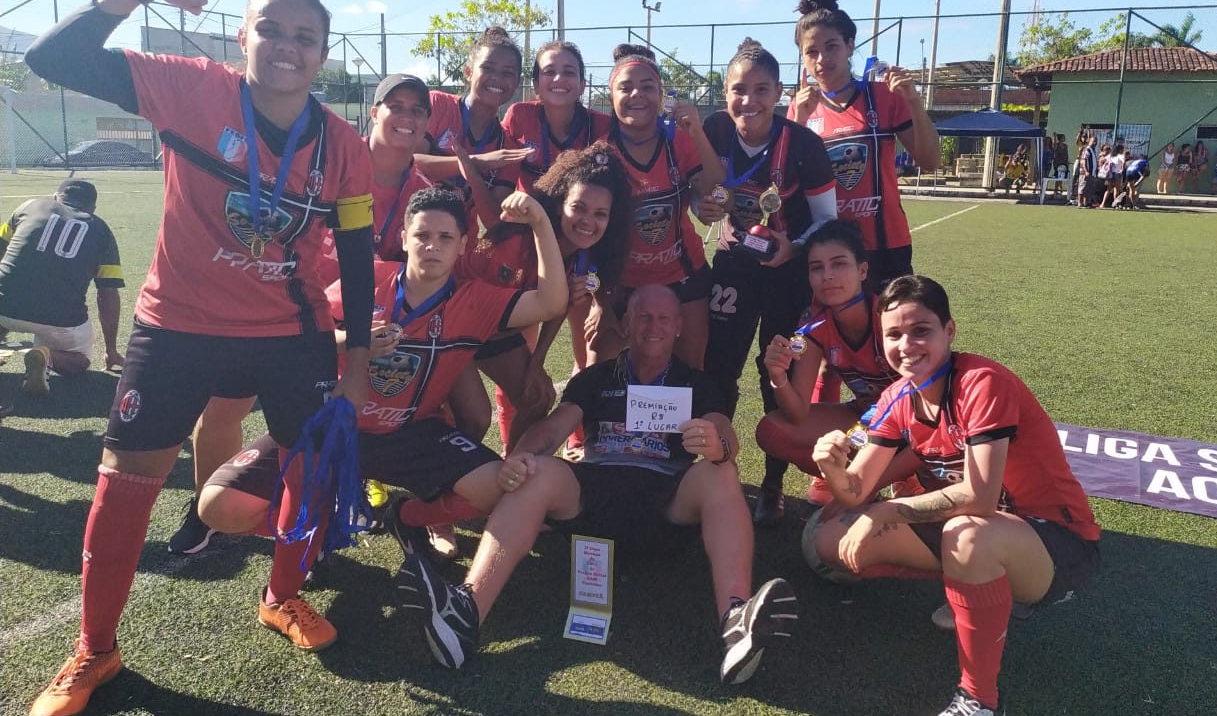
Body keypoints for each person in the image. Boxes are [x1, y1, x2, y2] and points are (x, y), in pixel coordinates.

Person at [22, 0, 376, 716]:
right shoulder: (189, 88)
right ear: (243, 36)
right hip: (177, 328)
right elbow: (53, 58)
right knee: (125, 486)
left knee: (306, 469)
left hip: (292, 335)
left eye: (303, 38)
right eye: (271, 30)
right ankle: (96, 648)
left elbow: (354, 251)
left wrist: (355, 366)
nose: (286, 47)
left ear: (321, 57)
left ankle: (281, 597)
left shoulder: (341, 143)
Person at [392, 283, 798, 683]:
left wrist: (717, 443)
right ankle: (466, 612)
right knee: (535, 469)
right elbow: (553, 428)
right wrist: (520, 457)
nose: (652, 326)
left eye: (663, 318)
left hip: (666, 499)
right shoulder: (599, 376)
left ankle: (737, 620)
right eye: (643, 316)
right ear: (626, 323)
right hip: (594, 493)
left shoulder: (695, 382)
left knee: (721, 471)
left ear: (678, 326)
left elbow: (725, 432)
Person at [199, 186, 569, 606]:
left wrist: (539, 221)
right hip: (334, 427)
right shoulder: (368, 279)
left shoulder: (474, 300)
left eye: (446, 238)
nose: (433, 246)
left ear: (463, 245)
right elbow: (305, 339)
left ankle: (406, 516)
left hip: (410, 434)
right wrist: (351, 342)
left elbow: (552, 301)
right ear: (406, 237)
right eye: (423, 235)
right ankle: (318, 526)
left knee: (498, 491)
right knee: (218, 507)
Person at [808, 275, 1101, 716]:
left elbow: (981, 497)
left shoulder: (980, 382)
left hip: (1059, 545)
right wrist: (832, 467)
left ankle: (981, 703)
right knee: (829, 542)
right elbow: (854, 489)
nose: (907, 345)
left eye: (920, 330)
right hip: (984, 532)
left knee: (967, 533)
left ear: (950, 330)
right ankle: (975, 593)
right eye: (894, 336)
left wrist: (886, 508)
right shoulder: (899, 396)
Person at [166, 71, 454, 556]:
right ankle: (205, 509)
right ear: (373, 113)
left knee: (394, 401)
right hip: (279, 302)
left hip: (357, 323)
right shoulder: (330, 154)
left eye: (417, 110)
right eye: (395, 106)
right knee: (225, 408)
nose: (405, 117)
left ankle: (365, 515)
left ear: (426, 123)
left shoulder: (420, 190)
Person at [697, 39, 835, 468]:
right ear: (725, 91)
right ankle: (718, 468)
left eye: (761, 90)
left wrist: (792, 248)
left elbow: (828, 221)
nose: (749, 100)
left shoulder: (803, 145)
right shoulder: (715, 130)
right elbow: (700, 197)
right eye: (739, 89)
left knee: (776, 372)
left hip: (786, 273)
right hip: (734, 265)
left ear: (779, 93)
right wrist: (700, 207)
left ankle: (773, 485)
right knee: (720, 368)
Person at [463, 145, 631, 451]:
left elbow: (556, 307)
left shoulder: (580, 252)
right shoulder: (519, 240)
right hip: (458, 330)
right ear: (558, 206)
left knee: (538, 397)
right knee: (472, 417)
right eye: (578, 207)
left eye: (600, 214)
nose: (588, 221)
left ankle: (512, 469)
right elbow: (475, 309)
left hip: (497, 334)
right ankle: (453, 489)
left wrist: (536, 361)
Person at [787, 0, 941, 291]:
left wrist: (913, 102)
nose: (822, 59)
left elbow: (931, 161)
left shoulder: (885, 96)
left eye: (831, 46)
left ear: (849, 45)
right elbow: (788, 184)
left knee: (887, 333)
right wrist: (800, 120)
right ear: (802, 57)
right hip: (828, 251)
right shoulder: (799, 108)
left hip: (886, 245)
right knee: (829, 334)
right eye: (811, 52)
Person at [587, 44, 726, 368]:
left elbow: (716, 187)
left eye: (647, 87)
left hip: (683, 276)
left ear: (662, 95)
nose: (637, 94)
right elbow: (588, 233)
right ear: (611, 97)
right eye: (626, 87)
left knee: (689, 371)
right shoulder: (600, 152)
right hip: (619, 283)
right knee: (597, 372)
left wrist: (697, 132)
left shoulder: (678, 139)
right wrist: (600, 301)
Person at [754, 220, 896, 510]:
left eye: (838, 264)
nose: (827, 276)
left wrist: (861, 435)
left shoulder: (891, 315)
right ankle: (858, 487)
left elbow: (925, 394)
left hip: (915, 421)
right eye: (816, 267)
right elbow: (797, 413)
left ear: (863, 270)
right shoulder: (813, 329)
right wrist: (778, 375)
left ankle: (902, 477)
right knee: (772, 430)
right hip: (867, 418)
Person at [0, 179, 125, 397]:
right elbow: (107, 294)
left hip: (3, 304)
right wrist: (111, 350)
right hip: (60, 318)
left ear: (55, 197)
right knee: (80, 361)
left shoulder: (29, 206)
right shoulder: (101, 230)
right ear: (92, 208)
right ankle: (47, 356)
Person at [415, 27, 529, 238]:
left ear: (517, 82)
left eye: (508, 73)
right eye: (487, 68)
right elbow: (408, 163)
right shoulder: (438, 105)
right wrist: (475, 162)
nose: (497, 78)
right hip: (410, 233)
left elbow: (493, 221)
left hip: (458, 245)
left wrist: (472, 175)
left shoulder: (508, 149)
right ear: (468, 72)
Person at [503, 40, 613, 192]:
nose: (559, 79)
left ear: (582, 85)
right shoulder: (519, 116)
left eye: (569, 72)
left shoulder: (602, 126)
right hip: (527, 213)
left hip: (577, 214)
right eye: (549, 72)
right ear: (535, 84)